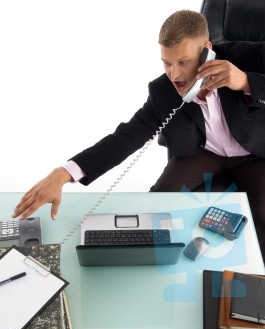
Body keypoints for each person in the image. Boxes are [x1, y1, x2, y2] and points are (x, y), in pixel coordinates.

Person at [13, 10, 265, 259]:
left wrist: (246, 82)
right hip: (204, 152)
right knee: (159, 202)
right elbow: (127, 136)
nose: (175, 75)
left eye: (183, 61)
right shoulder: (162, 92)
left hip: (253, 152)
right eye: (167, 63)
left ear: (207, 50)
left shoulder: (245, 58)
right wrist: (64, 173)